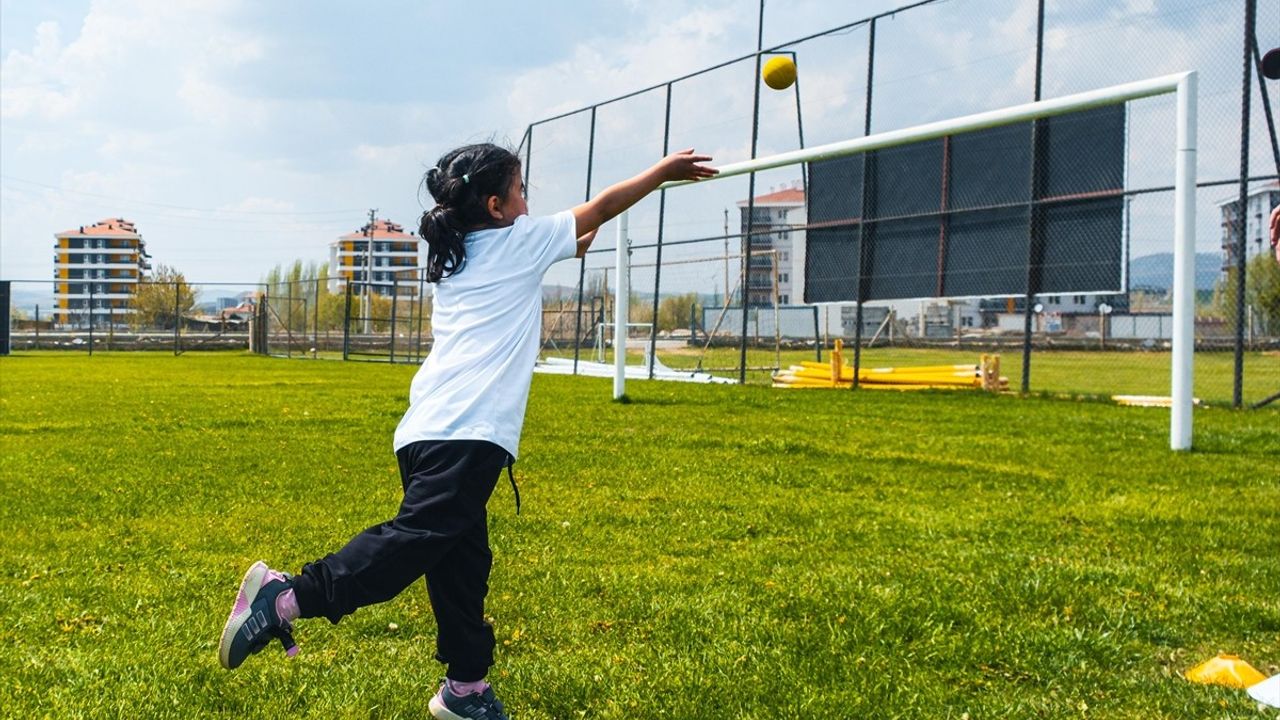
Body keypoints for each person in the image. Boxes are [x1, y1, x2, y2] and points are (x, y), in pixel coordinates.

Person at [217, 142, 717, 720]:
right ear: (497, 205)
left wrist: (569, 243)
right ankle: (288, 596)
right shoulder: (519, 243)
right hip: (467, 434)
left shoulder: (457, 257)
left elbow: (571, 242)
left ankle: (465, 688)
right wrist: (663, 173)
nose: (530, 202)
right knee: (413, 543)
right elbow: (601, 208)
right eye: (522, 190)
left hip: (427, 431)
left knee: (462, 564)